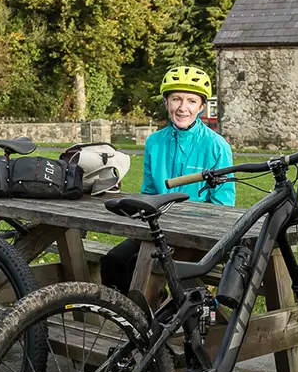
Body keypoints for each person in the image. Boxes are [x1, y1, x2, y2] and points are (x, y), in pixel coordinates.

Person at [100, 66, 235, 296]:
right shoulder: (155, 142)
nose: (183, 107)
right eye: (176, 99)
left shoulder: (216, 146)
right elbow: (149, 191)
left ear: (201, 106)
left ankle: (149, 325)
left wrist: (191, 224)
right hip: (157, 229)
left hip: (197, 236)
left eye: (191, 101)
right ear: (166, 103)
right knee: (113, 262)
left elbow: (223, 205)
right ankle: (126, 317)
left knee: (149, 270)